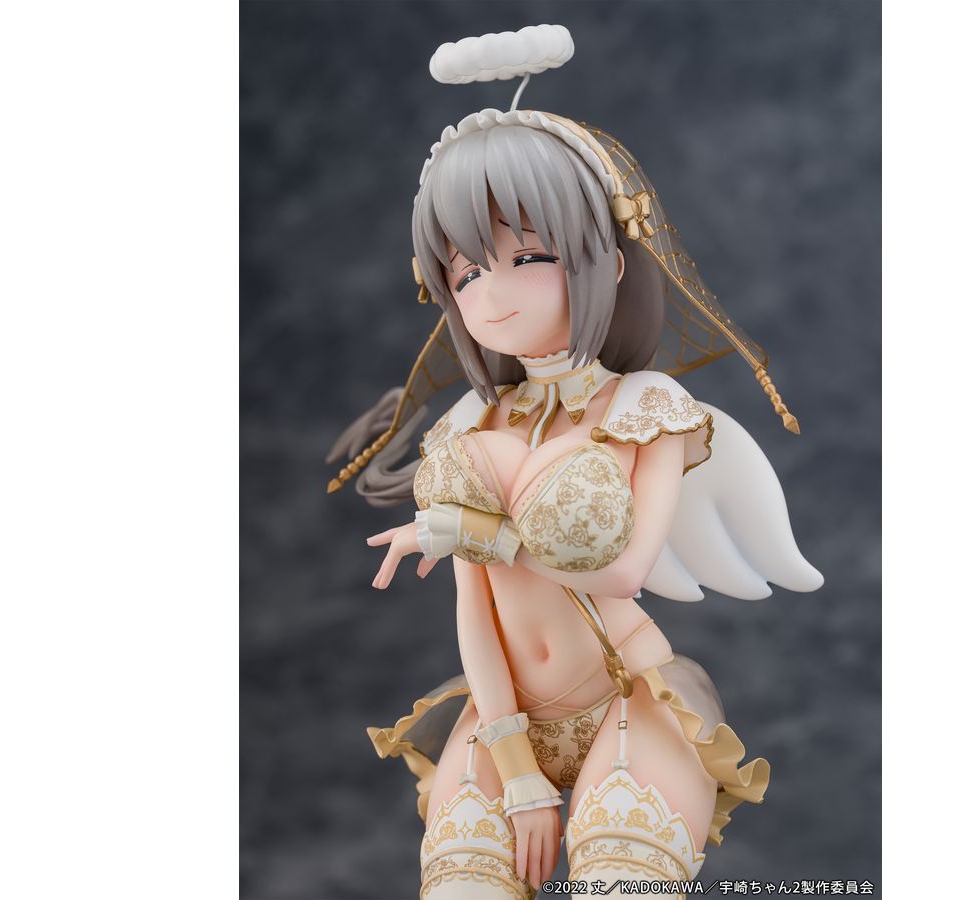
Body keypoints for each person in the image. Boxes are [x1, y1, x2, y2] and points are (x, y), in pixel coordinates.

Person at [327, 25, 823, 899]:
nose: (491, 294)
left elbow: (625, 571)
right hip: (504, 716)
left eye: (529, 258)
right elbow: (476, 613)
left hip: (629, 697)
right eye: (465, 273)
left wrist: (475, 532)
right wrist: (519, 774)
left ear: (604, 262)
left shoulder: (646, 409)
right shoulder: (471, 422)